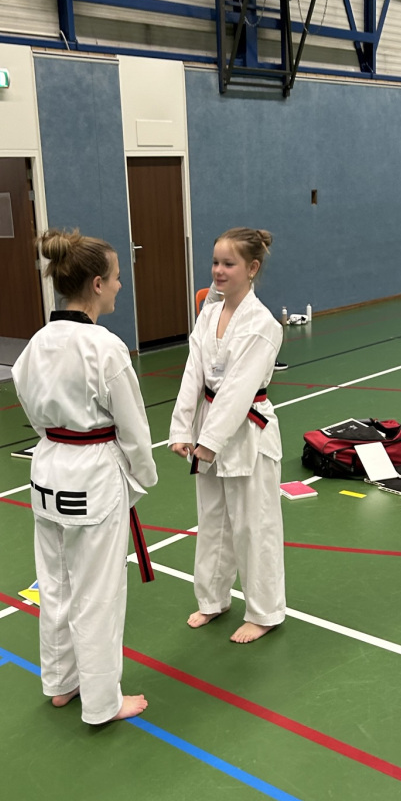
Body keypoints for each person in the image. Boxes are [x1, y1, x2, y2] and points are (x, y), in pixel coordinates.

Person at [11, 229, 157, 725]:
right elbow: (133, 428)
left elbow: (31, 409)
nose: (119, 286)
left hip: (48, 468)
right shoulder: (105, 347)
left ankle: (60, 682)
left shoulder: (36, 343)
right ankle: (101, 702)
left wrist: (59, 439)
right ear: (96, 284)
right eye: (115, 278)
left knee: (56, 584)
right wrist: (140, 478)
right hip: (94, 475)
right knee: (98, 593)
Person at [169, 227, 286, 644]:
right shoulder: (209, 313)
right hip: (208, 424)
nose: (218, 271)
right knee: (213, 521)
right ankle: (212, 599)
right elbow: (193, 373)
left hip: (248, 434)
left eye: (228, 264)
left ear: (252, 268)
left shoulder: (263, 324)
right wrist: (182, 428)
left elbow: (238, 390)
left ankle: (265, 611)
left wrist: (209, 441)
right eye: (215, 262)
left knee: (255, 526)